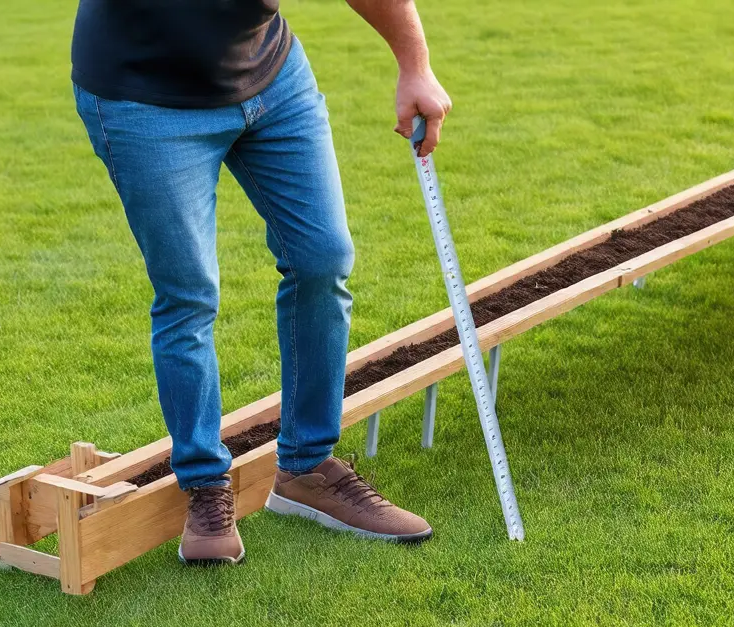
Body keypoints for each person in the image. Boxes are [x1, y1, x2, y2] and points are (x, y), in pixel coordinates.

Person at [70, 0, 451, 564]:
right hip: (145, 101)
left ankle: (306, 468)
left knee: (322, 258)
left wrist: (414, 64)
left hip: (270, 77)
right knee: (189, 295)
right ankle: (205, 486)